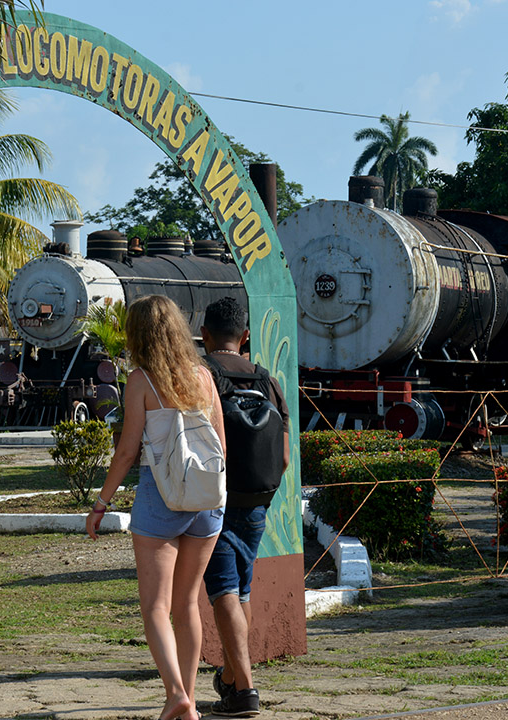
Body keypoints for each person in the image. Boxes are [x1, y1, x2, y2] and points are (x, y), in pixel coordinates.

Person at [86, 295, 225, 720]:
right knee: (187, 604)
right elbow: (221, 444)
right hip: (206, 499)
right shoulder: (204, 376)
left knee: (154, 607)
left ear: (138, 334)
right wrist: (223, 498)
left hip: (160, 497)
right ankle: (192, 700)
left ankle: (175, 694)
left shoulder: (140, 381)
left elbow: (127, 451)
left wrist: (102, 501)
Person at [199, 297, 289, 718]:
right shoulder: (268, 381)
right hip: (258, 503)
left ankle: (245, 692)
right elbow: (285, 457)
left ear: (205, 335)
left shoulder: (204, 377)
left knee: (223, 593)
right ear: (246, 337)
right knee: (242, 590)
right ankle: (233, 678)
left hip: (216, 501)